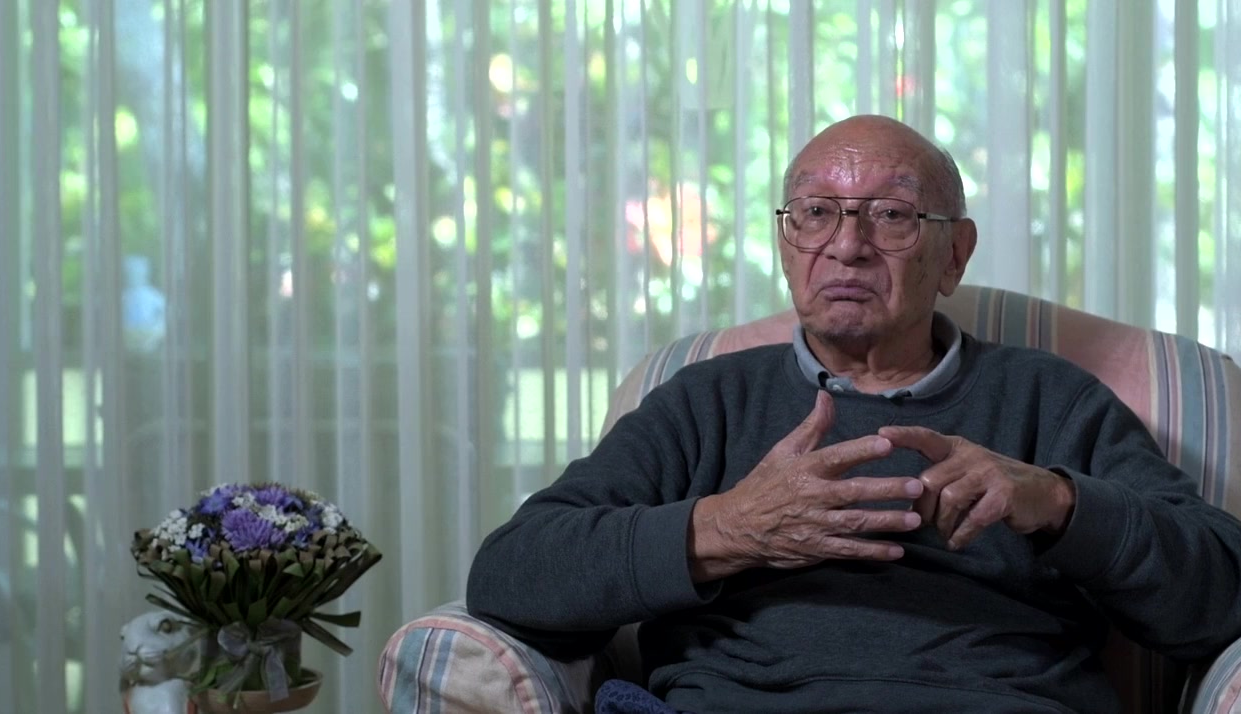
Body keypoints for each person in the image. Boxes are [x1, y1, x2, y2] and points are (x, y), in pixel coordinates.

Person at [466, 115, 1241, 713]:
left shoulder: (1051, 399)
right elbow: (511, 575)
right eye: (815, 212)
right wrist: (728, 529)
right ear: (785, 242)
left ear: (955, 254)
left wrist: (1060, 504)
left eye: (892, 215)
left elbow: (1220, 595)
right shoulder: (705, 400)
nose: (847, 246)